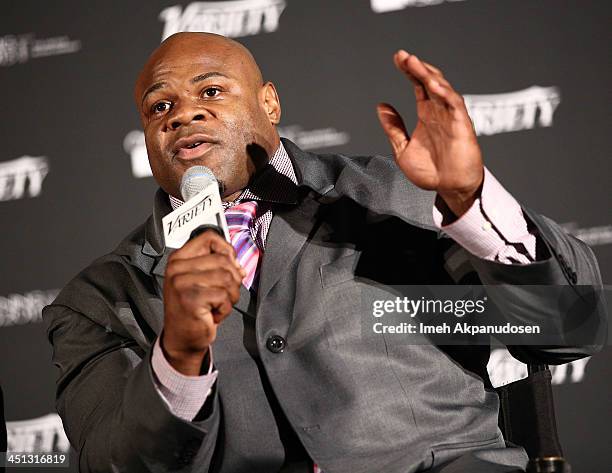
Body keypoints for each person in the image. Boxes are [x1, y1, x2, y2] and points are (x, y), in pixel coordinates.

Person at [43, 32, 605, 473]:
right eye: (158, 106)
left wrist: (469, 200)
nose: (183, 114)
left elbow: (570, 327)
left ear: (269, 102)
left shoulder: (393, 193)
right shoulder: (99, 297)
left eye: (212, 92)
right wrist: (178, 354)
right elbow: (114, 462)